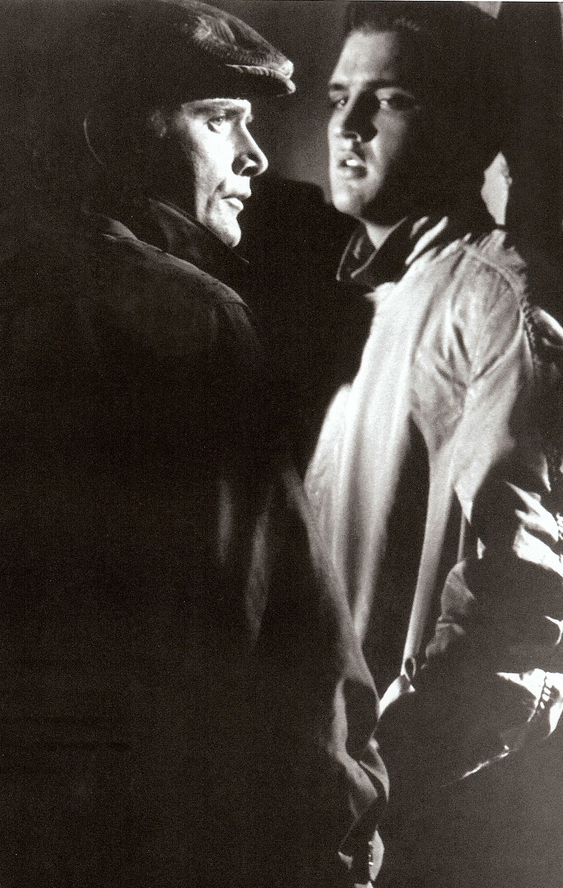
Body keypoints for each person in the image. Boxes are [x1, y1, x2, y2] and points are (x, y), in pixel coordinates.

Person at [0, 2, 386, 885]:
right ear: (109, 135)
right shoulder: (194, 320)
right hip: (201, 836)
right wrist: (347, 827)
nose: (255, 156)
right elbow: (279, 635)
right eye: (219, 120)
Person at [305, 3, 563, 886]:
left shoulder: (494, 302)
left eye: (392, 98)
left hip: (418, 835)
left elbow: (523, 610)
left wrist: (379, 782)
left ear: (466, 128)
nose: (348, 123)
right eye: (339, 96)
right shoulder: (377, 302)